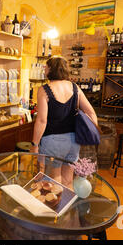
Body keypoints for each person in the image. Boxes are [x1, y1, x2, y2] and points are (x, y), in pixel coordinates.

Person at [30, 56, 98, 189]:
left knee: (52, 181)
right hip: (73, 142)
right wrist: (89, 133)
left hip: (53, 141)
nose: (44, 69)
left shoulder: (44, 90)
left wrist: (35, 144)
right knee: (68, 181)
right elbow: (91, 113)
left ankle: (53, 209)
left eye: (46, 67)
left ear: (51, 69)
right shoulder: (75, 87)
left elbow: (42, 121)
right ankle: (67, 209)